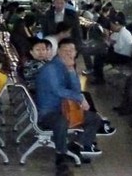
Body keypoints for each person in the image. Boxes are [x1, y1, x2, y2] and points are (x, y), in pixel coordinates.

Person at [36, 39, 104, 173]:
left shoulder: (66, 66)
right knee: (61, 121)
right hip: (49, 112)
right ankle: (60, 156)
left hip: (66, 109)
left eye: (71, 50)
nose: (69, 53)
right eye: (65, 50)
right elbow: (58, 90)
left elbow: (76, 89)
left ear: (76, 53)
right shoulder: (51, 68)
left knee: (94, 118)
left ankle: (77, 145)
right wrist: (80, 98)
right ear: (58, 52)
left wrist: (71, 70)